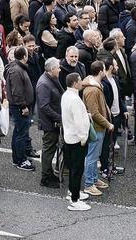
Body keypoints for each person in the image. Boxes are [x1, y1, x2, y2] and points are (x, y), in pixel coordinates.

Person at [81, 60, 114, 197]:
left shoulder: (95, 87)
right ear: (101, 71)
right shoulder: (93, 90)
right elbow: (94, 113)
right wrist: (108, 124)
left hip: (99, 127)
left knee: (95, 156)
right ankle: (89, 183)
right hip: (96, 128)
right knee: (92, 157)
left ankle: (93, 179)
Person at [60, 72, 91, 211]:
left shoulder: (66, 96)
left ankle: (73, 192)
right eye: (80, 81)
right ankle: (75, 199)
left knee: (73, 167)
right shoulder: (75, 99)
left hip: (69, 137)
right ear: (74, 83)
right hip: (77, 139)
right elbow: (78, 121)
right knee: (77, 169)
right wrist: (83, 137)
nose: (82, 82)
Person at [4, 46, 36, 171]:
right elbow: (17, 91)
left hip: (19, 106)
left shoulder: (16, 68)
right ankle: (21, 160)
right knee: (21, 134)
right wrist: (23, 106)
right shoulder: (17, 71)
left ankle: (17, 158)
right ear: (24, 56)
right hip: (19, 107)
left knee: (18, 132)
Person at [35, 57, 64, 188]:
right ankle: (45, 177)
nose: (60, 69)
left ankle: (49, 173)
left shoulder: (51, 79)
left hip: (53, 122)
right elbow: (44, 106)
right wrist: (59, 118)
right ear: (52, 69)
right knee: (48, 150)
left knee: (51, 149)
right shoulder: (44, 84)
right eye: (58, 67)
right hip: (50, 123)